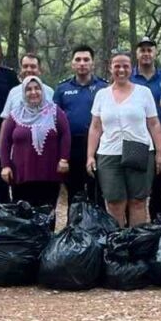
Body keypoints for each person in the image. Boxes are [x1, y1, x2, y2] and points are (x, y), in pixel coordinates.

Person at [88, 49, 161, 227]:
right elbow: (96, 126)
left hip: (139, 149)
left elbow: (154, 124)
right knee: (115, 202)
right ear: (110, 68)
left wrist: (160, 152)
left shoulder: (143, 92)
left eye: (125, 66)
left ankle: (135, 244)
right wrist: (90, 155)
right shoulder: (102, 95)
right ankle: (117, 244)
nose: (121, 70)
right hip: (109, 153)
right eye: (117, 66)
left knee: (138, 201)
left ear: (132, 68)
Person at [0, 75, 69, 213]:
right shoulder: (15, 115)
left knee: (47, 212)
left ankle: (47, 235)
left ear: (42, 91)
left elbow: (65, 134)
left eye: (37, 88)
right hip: (22, 173)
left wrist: (64, 159)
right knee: (24, 214)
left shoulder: (54, 111)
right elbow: (5, 141)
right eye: (29, 89)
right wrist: (5, 166)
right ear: (24, 93)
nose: (33, 92)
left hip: (49, 172)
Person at [55, 45, 107, 205]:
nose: (82, 63)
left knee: (97, 189)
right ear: (72, 64)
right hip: (72, 145)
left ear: (93, 63)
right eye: (78, 60)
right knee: (73, 190)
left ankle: (98, 226)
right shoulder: (62, 89)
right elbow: (54, 119)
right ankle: (73, 227)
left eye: (86, 60)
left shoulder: (103, 87)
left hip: (99, 144)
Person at [131, 35, 161, 219]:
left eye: (149, 50)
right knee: (134, 182)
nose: (146, 54)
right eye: (142, 50)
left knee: (159, 183)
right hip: (135, 137)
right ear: (136, 53)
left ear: (155, 52)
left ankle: (158, 223)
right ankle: (132, 226)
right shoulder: (129, 77)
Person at [0, 52, 56, 119]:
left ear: (39, 70)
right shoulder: (13, 92)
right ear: (21, 69)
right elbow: (6, 119)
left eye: (33, 66)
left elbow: (56, 117)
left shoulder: (49, 92)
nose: (28, 70)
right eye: (25, 66)